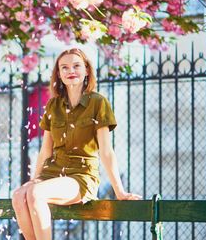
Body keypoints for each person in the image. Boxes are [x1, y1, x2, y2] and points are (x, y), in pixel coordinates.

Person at [11, 48, 141, 240]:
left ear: (86, 70)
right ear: (59, 74)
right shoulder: (53, 105)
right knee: (19, 195)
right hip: (52, 172)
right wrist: (34, 179)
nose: (70, 70)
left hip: (80, 176)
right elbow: (45, 150)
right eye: (64, 67)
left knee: (36, 193)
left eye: (76, 66)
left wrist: (119, 191)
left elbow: (106, 152)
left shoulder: (98, 102)